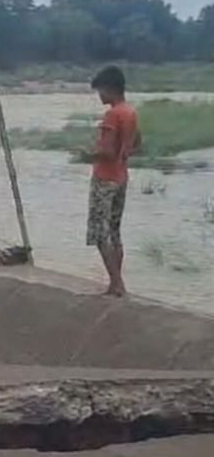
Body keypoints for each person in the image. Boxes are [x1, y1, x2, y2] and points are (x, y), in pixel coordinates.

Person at [85, 65, 141, 297]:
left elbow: (106, 153)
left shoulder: (113, 114)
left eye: (100, 90)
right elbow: (138, 145)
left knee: (100, 234)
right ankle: (116, 284)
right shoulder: (131, 112)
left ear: (110, 89)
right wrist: (123, 155)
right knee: (114, 232)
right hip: (121, 177)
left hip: (105, 178)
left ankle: (117, 283)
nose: (99, 96)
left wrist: (87, 154)